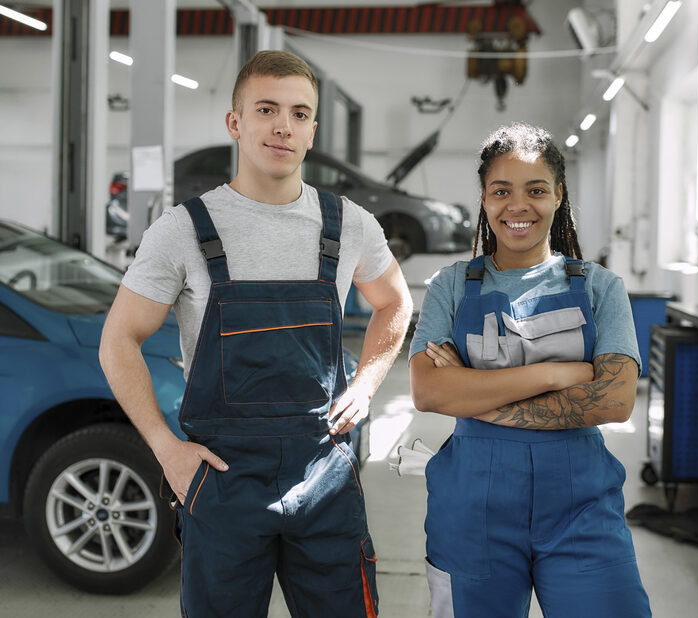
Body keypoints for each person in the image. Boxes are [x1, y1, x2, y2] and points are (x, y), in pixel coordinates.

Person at [99, 50, 412, 617]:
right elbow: (117, 340)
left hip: (324, 475)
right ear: (235, 122)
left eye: (298, 113)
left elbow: (395, 302)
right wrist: (166, 451)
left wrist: (366, 386)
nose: (282, 126)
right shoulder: (182, 231)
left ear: (313, 130)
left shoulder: (349, 225)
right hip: (221, 481)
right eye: (266, 109)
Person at [408, 122, 651, 618]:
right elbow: (429, 390)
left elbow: (614, 400)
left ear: (558, 196)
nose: (518, 206)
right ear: (484, 198)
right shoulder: (450, 286)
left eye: (536, 190)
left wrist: (477, 397)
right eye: (501, 191)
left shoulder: (602, 287)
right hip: (471, 512)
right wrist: (559, 373)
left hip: (583, 509)